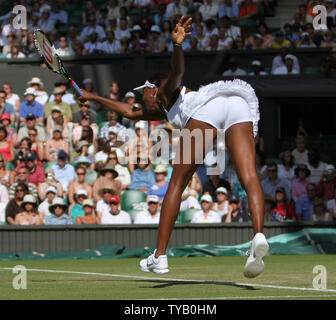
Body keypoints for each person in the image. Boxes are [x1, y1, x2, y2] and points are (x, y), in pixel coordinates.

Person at [80, 16, 269, 278]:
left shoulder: (169, 90)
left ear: (156, 90)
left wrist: (177, 46)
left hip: (208, 109)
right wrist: (93, 98)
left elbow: (176, 71)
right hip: (237, 104)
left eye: (143, 91)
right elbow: (131, 113)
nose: (140, 97)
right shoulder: (165, 108)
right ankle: (258, 236)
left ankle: (159, 256)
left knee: (176, 185)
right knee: (249, 175)